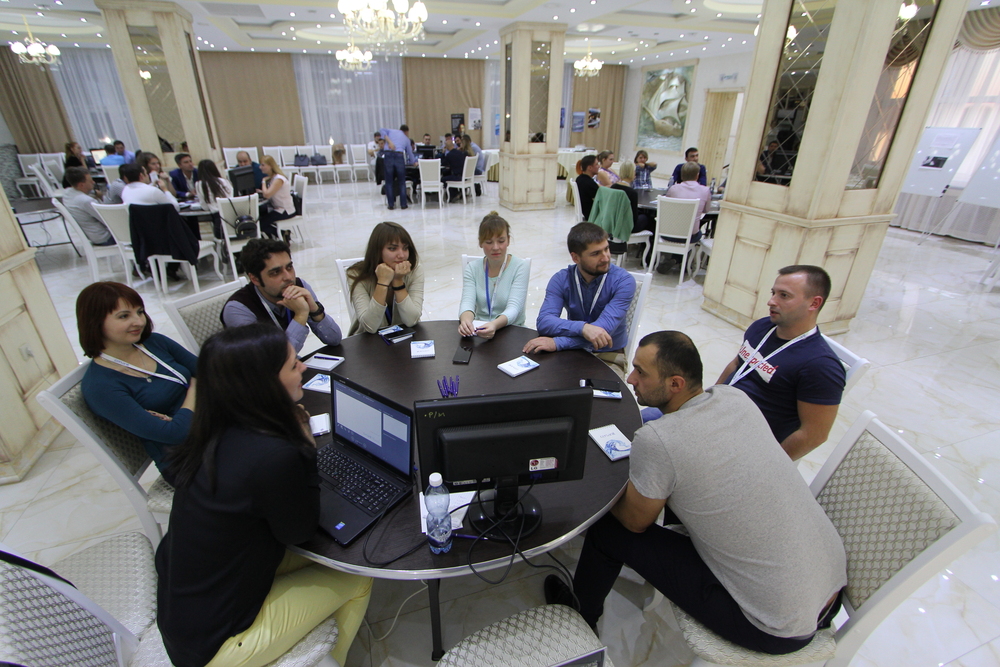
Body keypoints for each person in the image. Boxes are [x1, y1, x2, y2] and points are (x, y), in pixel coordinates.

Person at [545, 331, 846, 654]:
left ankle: (580, 619)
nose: (631, 379)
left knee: (609, 529)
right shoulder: (735, 399)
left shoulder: (659, 439)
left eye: (641, 373)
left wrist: (600, 490)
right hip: (829, 590)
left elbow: (634, 522)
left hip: (773, 625)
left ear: (675, 383)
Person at [155, 323, 371, 667]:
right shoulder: (272, 455)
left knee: (329, 557)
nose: (303, 366)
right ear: (263, 383)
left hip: (186, 612)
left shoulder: (213, 429)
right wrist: (306, 448)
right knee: (358, 578)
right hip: (218, 645)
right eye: (293, 364)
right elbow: (298, 532)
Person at [716, 265, 846, 460]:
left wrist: (767, 466)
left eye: (784, 295)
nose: (771, 301)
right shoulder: (762, 327)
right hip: (718, 419)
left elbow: (813, 435)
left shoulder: (821, 366)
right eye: (773, 293)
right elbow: (736, 365)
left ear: (814, 303)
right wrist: (707, 401)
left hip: (745, 447)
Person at [77, 282, 197, 478]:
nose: (139, 321)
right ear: (95, 322)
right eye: (124, 316)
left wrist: (180, 416)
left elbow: (212, 372)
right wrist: (195, 389)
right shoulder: (101, 386)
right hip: (188, 463)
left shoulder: (155, 343)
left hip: (213, 429)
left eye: (140, 312)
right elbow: (175, 434)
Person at [523, 223, 636, 375]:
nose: (605, 257)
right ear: (576, 257)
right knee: (543, 382)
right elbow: (544, 322)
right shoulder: (561, 279)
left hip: (608, 355)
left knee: (601, 392)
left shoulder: (624, 281)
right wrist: (583, 328)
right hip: (572, 352)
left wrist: (557, 342)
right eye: (596, 254)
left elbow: (601, 335)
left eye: (606, 249)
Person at [222, 238, 340, 353]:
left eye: (289, 267)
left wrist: (315, 311)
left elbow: (334, 339)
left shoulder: (300, 287)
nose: (288, 277)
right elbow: (270, 360)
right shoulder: (238, 309)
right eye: (275, 272)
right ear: (255, 279)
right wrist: (301, 315)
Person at [458, 212, 530, 339]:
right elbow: (467, 303)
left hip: (511, 331)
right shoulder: (472, 268)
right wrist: (466, 322)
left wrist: (494, 325)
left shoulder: (520, 267)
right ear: (480, 243)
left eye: (501, 241)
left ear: (508, 240)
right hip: (480, 330)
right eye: (489, 242)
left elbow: (514, 309)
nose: (496, 247)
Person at [348, 221, 424, 334]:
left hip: (404, 337)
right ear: (377, 251)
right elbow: (370, 326)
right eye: (392, 248)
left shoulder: (415, 270)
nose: (401, 255)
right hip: (368, 340)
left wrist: (398, 281)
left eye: (405, 248)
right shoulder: (355, 274)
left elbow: (411, 320)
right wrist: (382, 282)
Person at [64, 167, 114, 246]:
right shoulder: (86, 201)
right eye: (90, 181)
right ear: (81, 185)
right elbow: (108, 220)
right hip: (105, 237)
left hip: (92, 234)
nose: (93, 182)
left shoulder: (67, 193)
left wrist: (94, 192)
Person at [665, 161, 710, 241]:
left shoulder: (673, 189)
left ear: (682, 175)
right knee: (698, 231)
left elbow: (667, 208)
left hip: (669, 234)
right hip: (691, 236)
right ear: (697, 175)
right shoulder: (705, 191)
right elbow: (706, 210)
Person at [379, 124, 416, 209]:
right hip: (399, 156)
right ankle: (403, 204)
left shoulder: (391, 131)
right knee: (402, 182)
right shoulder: (406, 139)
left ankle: (391, 205)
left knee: (389, 182)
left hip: (388, 155)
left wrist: (389, 141)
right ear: (406, 132)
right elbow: (410, 153)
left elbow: (381, 130)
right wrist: (414, 162)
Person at [257, 155, 295, 239]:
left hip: (284, 211)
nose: (260, 167)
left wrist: (263, 181)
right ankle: (276, 236)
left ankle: (283, 233)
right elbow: (272, 192)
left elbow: (267, 195)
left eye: (263, 165)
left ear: (270, 166)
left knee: (260, 225)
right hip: (278, 208)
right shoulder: (273, 177)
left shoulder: (278, 179)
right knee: (261, 214)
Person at [611, 161, 642, 233]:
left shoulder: (613, 187)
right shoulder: (632, 192)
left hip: (613, 221)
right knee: (648, 218)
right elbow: (634, 217)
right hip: (627, 226)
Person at [441, 135, 469, 203]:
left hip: (458, 177)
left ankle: (453, 194)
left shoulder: (449, 155)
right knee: (449, 175)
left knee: (443, 179)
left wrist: (443, 153)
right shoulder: (461, 153)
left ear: (446, 147)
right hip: (464, 176)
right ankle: (457, 192)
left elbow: (443, 163)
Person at [575, 155, 601, 220]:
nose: (599, 166)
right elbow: (600, 198)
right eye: (596, 164)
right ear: (590, 168)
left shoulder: (579, 178)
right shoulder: (589, 183)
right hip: (591, 214)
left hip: (585, 211)